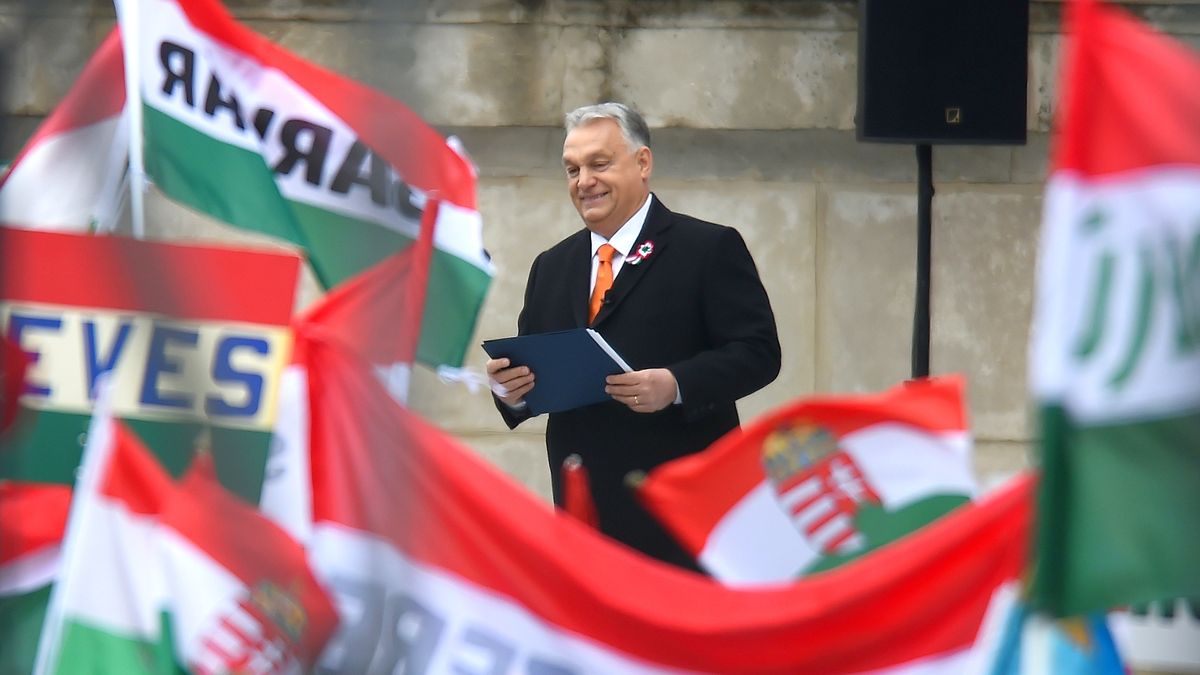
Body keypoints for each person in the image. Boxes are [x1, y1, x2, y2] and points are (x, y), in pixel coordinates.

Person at [486, 102, 781, 570]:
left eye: (599, 164)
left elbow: (759, 352)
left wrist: (676, 384)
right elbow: (535, 373)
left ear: (642, 163)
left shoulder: (706, 248)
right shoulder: (552, 266)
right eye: (572, 169)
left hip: (682, 515)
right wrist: (511, 390)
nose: (584, 181)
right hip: (586, 516)